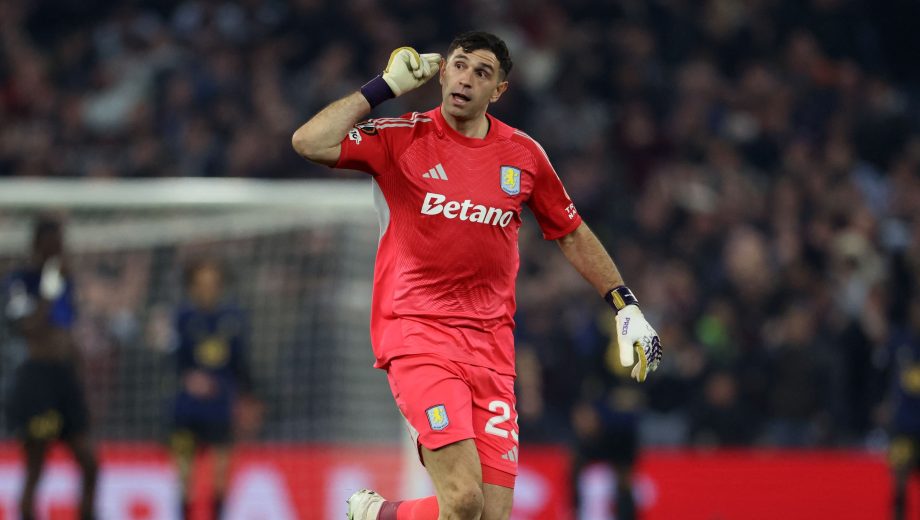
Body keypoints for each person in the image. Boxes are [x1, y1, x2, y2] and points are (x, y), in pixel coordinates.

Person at [292, 31, 662, 520]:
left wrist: (624, 303)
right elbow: (309, 141)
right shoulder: (402, 137)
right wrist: (382, 87)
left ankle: (380, 514)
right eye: (460, 65)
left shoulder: (524, 155)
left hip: (492, 350)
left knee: (489, 514)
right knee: (465, 500)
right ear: (443, 72)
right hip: (419, 336)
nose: (466, 79)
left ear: (499, 90)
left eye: (482, 72)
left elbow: (571, 232)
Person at [1, 216, 98, 520]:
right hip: (36, 379)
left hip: (64, 378)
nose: (57, 252)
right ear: (36, 246)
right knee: (36, 465)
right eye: (51, 246)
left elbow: (67, 334)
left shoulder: (65, 283)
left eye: (60, 246)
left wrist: (82, 383)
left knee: (90, 463)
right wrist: (47, 291)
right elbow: (27, 328)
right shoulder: (19, 282)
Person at [168, 258, 253, 520]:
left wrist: (247, 397)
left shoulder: (234, 318)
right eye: (201, 284)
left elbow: (241, 364)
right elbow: (173, 361)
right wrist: (189, 378)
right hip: (187, 408)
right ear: (192, 287)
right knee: (184, 475)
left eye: (212, 284)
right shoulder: (182, 317)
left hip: (220, 407)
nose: (207, 290)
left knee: (221, 474)